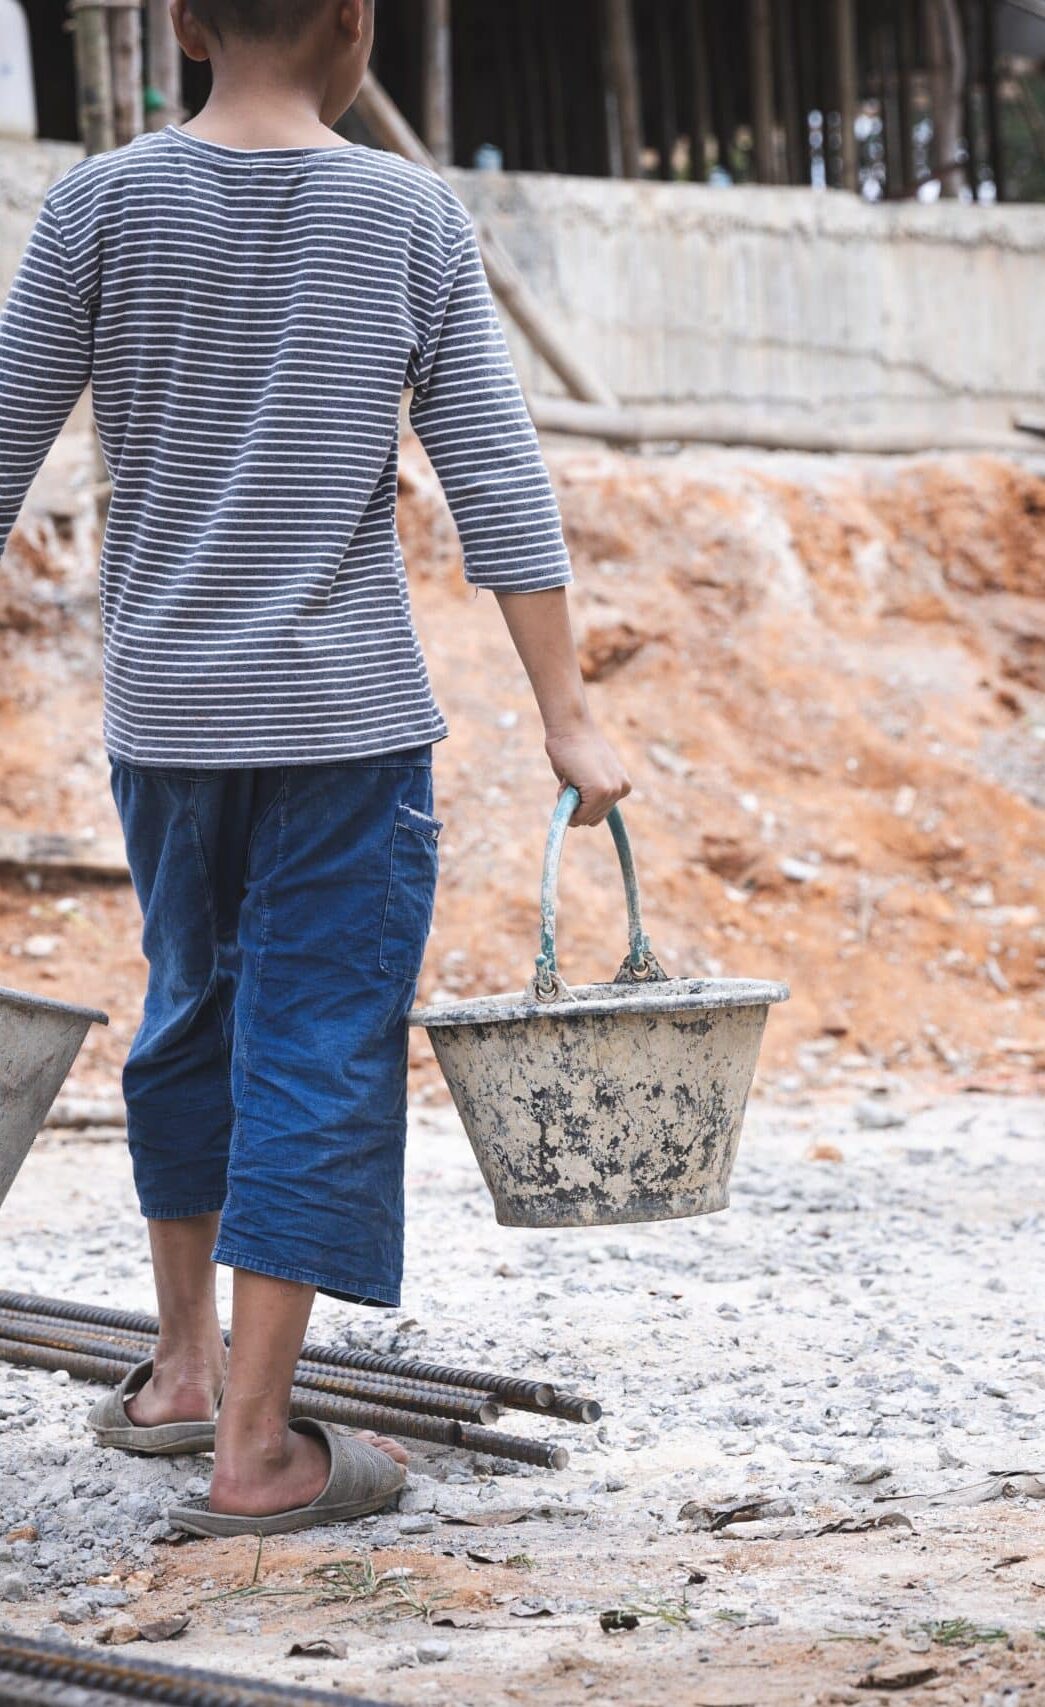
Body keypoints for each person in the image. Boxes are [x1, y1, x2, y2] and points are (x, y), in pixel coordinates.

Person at [0, 0, 630, 1536]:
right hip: (343, 724)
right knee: (320, 1042)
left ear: (188, 23)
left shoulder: (96, 200)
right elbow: (490, 466)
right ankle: (261, 1452)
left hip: (165, 717)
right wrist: (566, 713)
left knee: (190, 1009)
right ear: (354, 22)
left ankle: (181, 1372)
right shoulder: (405, 211)